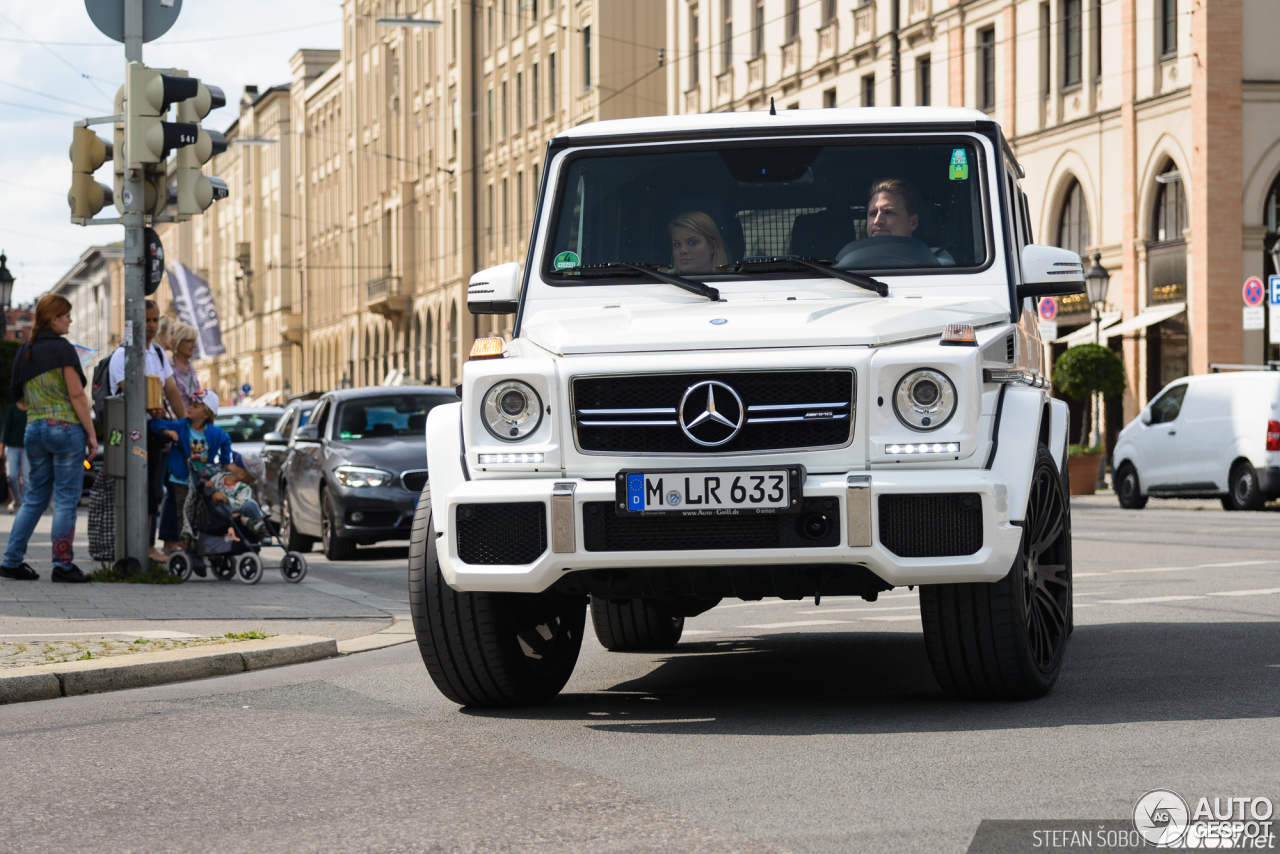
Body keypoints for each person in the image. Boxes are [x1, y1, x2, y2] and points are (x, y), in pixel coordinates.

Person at [0, 294, 98, 583]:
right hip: (65, 428)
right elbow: (77, 394)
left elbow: (19, 395)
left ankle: (11, 561)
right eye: (66, 315)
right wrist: (91, 435)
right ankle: (63, 565)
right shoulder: (63, 350)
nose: (70, 320)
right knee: (67, 499)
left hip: (34, 429)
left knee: (33, 499)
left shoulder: (25, 351)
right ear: (54, 319)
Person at [108, 299, 186, 560]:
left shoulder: (158, 353)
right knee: (138, 491)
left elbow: (171, 390)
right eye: (146, 320)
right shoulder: (122, 355)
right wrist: (150, 408)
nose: (151, 326)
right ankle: (143, 548)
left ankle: (150, 546)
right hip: (131, 435)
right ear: (133, 323)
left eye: (154, 320)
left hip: (154, 434)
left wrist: (185, 425)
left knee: (154, 491)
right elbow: (128, 391)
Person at [151, 390, 232, 573]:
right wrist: (167, 431)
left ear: (206, 414)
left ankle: (198, 548)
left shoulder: (215, 433)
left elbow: (226, 440)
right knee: (184, 515)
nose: (189, 408)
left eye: (195, 406)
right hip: (181, 480)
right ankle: (189, 549)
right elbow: (156, 424)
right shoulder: (181, 426)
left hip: (202, 482)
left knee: (202, 515)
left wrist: (225, 462)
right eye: (190, 405)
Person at [204, 452, 268, 540]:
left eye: (236, 463)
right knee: (217, 505)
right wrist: (209, 484)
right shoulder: (220, 477)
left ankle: (262, 528)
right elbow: (210, 487)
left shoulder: (244, 488)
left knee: (250, 504)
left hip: (234, 510)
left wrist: (226, 499)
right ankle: (244, 520)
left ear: (241, 474)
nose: (232, 461)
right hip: (221, 513)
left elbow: (240, 504)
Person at [0, 400, 29, 513]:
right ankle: (17, 499)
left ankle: (25, 504)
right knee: (11, 475)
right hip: (12, 446)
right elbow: (7, 427)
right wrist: (1, 446)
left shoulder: (32, 408)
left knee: (26, 477)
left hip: (27, 447)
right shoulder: (12, 408)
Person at [169, 322, 202, 410]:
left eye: (194, 341)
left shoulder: (191, 368)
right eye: (190, 341)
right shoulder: (168, 368)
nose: (194, 345)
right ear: (178, 342)